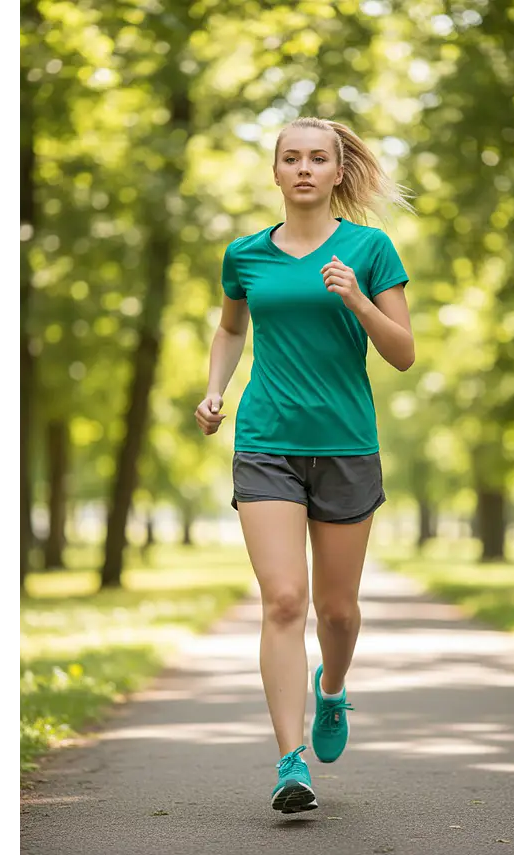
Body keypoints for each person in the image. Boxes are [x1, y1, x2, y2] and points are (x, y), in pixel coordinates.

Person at [194, 116, 416, 814]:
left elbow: (404, 351)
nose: (304, 169)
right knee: (284, 598)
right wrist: (214, 389)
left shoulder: (370, 249)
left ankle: (332, 687)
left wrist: (354, 297)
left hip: (347, 443)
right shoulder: (246, 255)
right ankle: (291, 762)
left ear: (338, 171)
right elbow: (231, 327)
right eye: (291, 157)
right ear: (276, 170)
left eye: (318, 158)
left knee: (337, 611)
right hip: (266, 442)